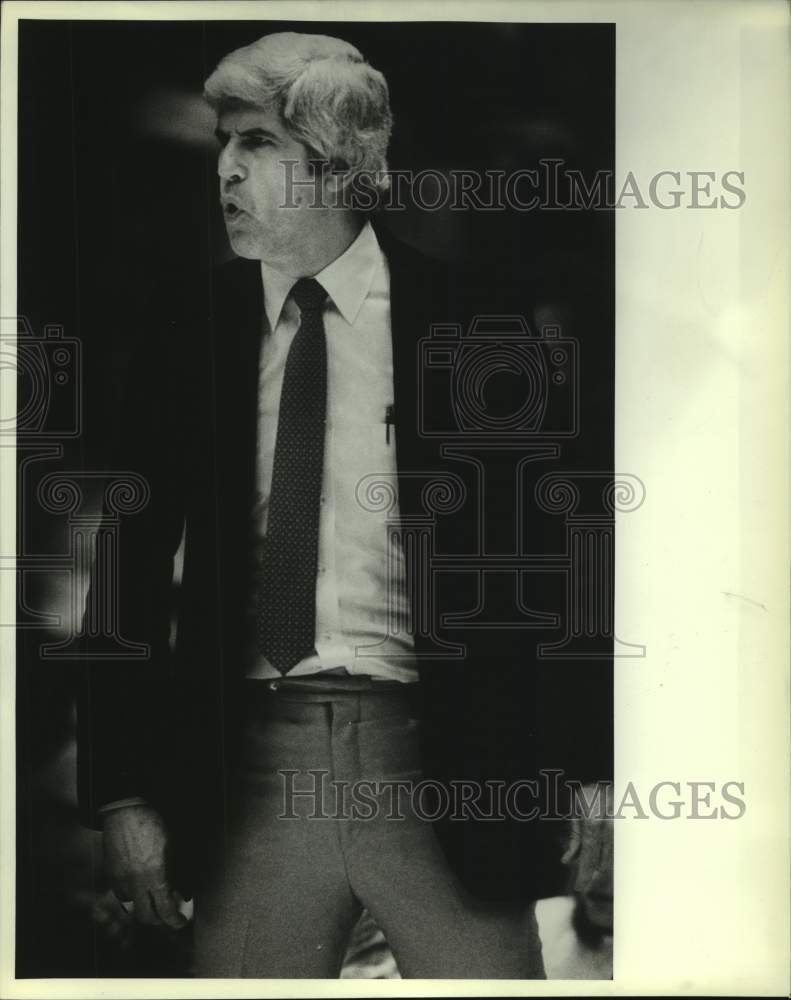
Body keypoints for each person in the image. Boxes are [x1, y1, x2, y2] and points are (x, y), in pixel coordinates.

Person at [78, 30, 593, 978]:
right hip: (251, 769)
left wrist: (590, 769)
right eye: (222, 145)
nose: (226, 171)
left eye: (256, 142)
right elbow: (126, 574)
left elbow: (553, 566)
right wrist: (120, 795)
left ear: (333, 161)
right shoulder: (184, 332)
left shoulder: (475, 326)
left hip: (446, 767)